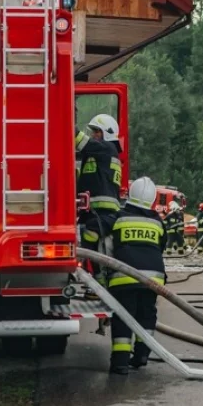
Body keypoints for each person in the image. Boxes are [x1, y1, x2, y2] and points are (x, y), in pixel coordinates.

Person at [107, 177, 166, 375]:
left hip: (123, 277)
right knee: (146, 315)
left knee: (124, 317)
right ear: (152, 199)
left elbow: (100, 236)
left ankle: (120, 363)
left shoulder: (119, 217)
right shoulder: (157, 222)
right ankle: (141, 356)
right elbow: (161, 247)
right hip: (153, 279)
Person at [75, 114, 123, 284]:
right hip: (94, 211)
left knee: (90, 237)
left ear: (108, 133)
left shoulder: (107, 148)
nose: (94, 135)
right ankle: (96, 281)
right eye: (93, 132)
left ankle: (98, 282)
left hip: (104, 212)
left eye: (97, 131)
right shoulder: (98, 153)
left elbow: (81, 140)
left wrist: (66, 122)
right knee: (86, 238)